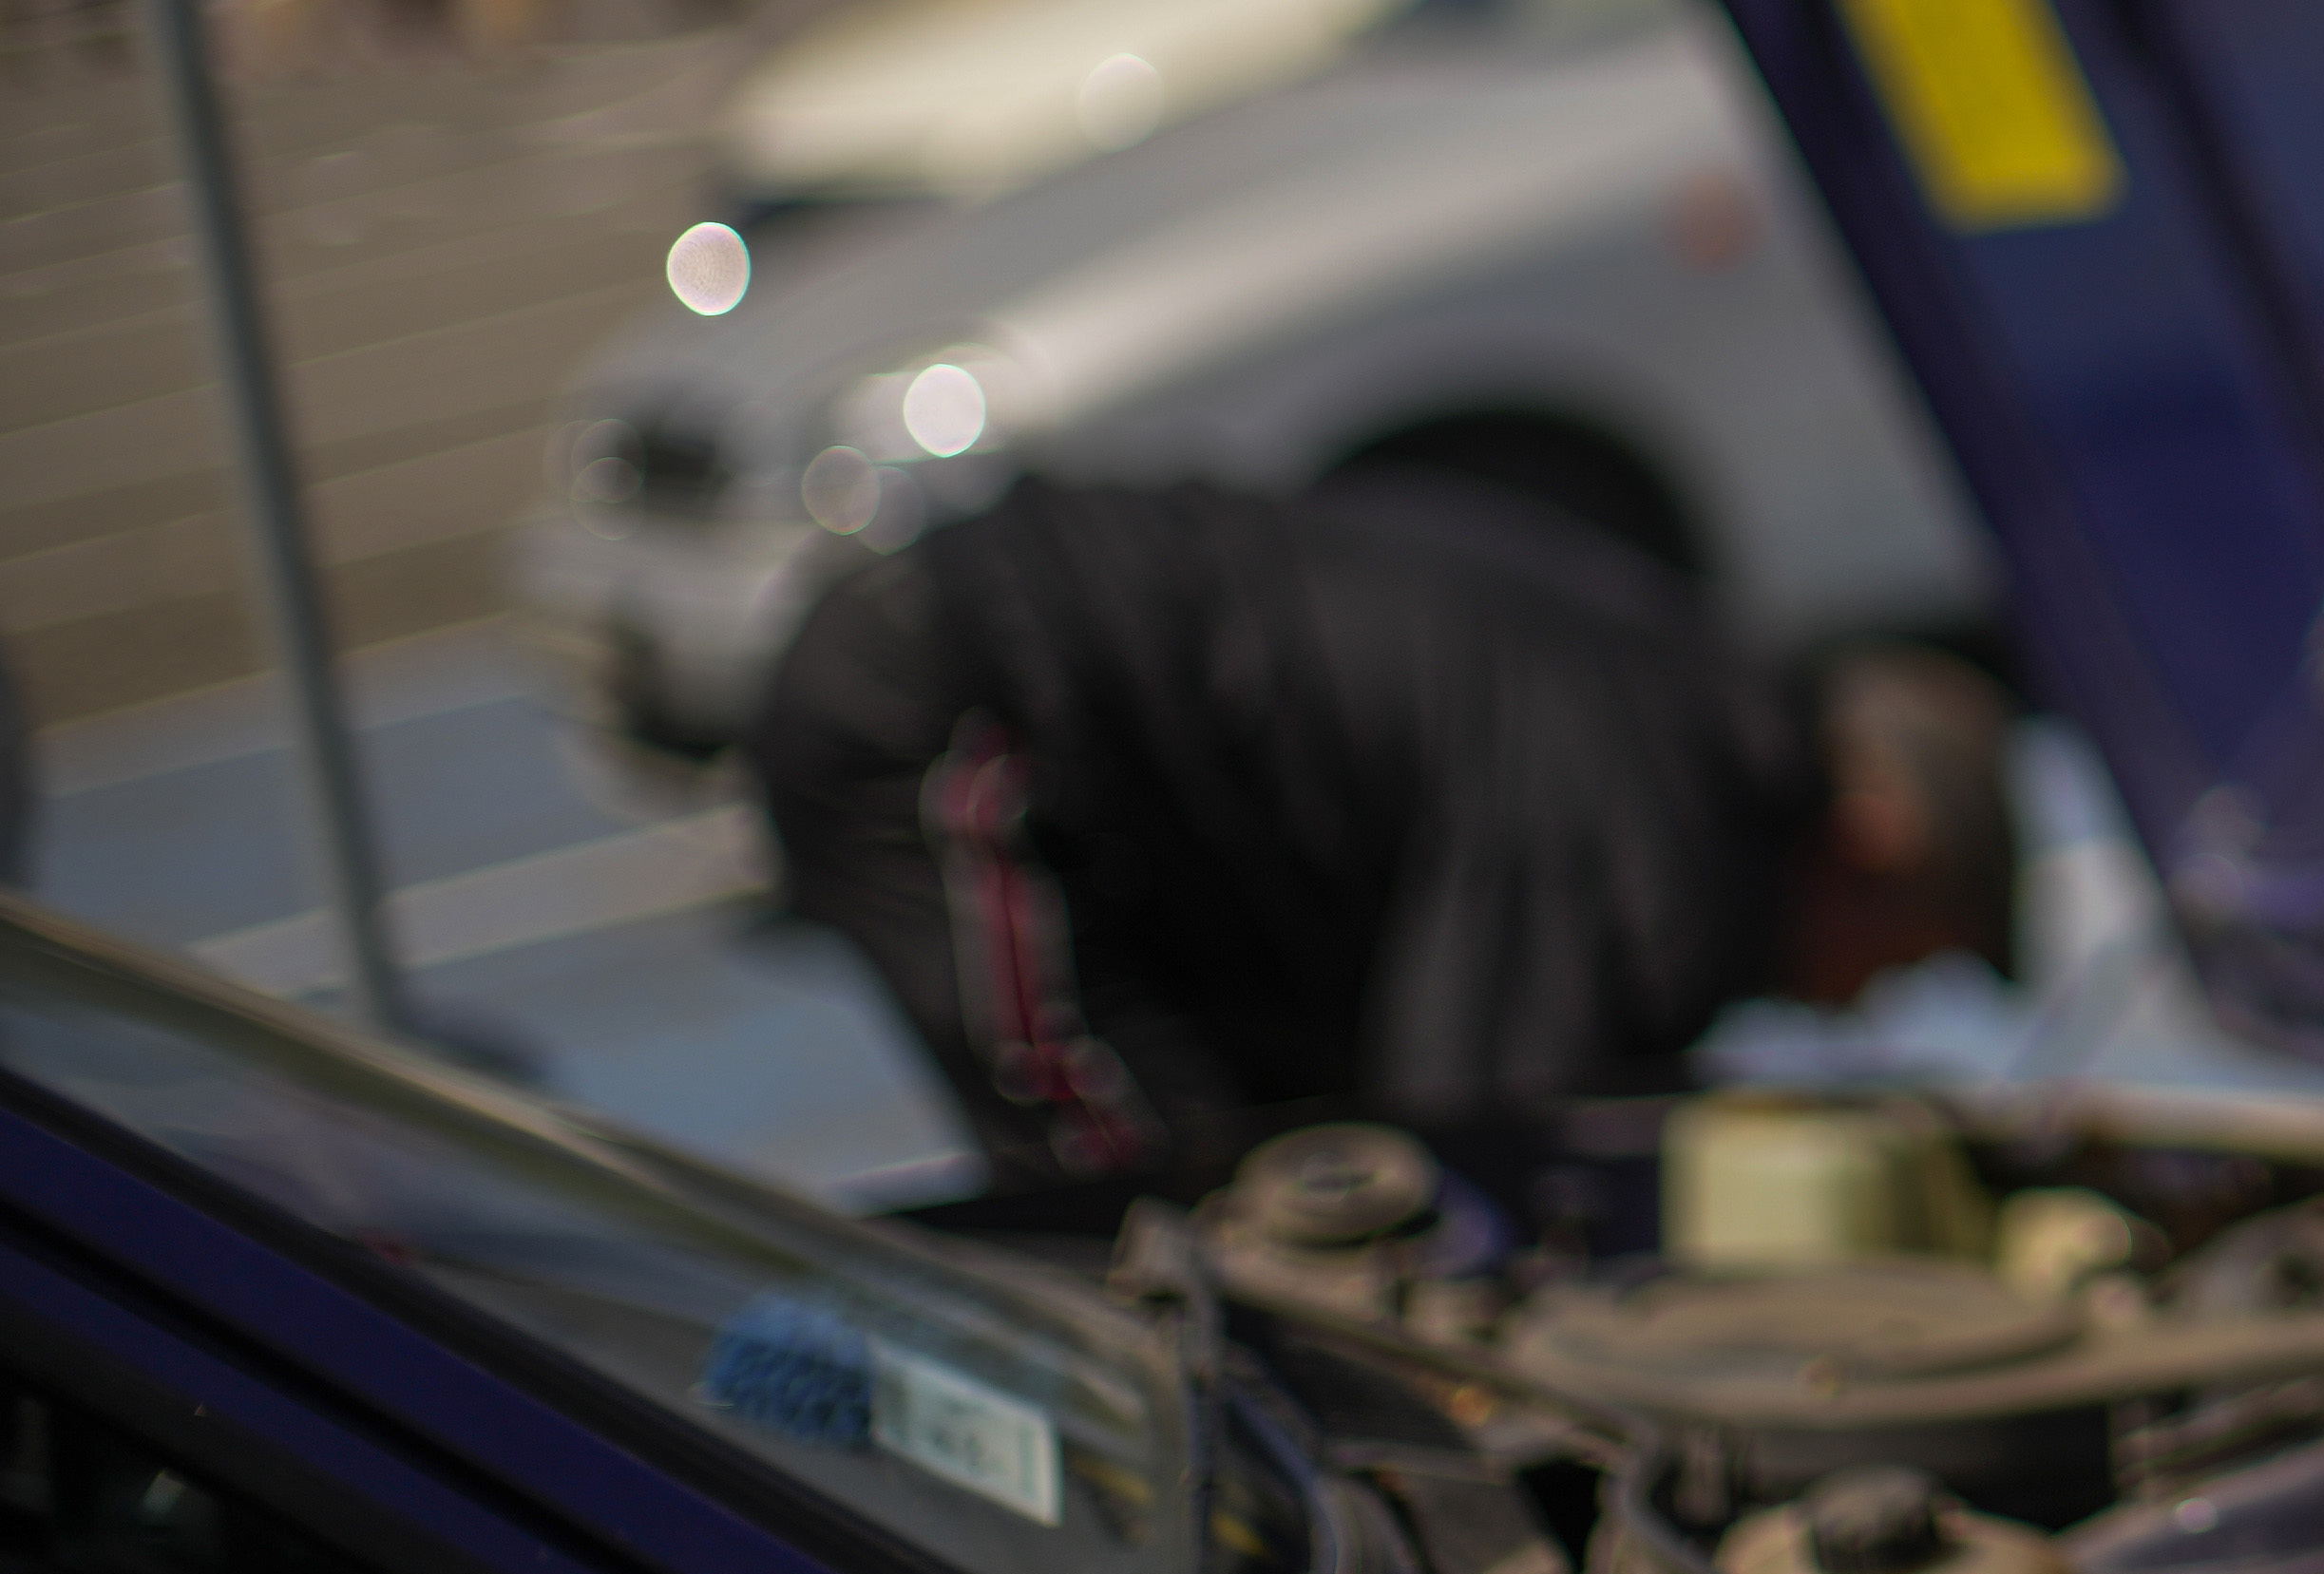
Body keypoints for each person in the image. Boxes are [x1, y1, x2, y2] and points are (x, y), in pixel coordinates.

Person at [745, 474, 2005, 1192]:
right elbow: (1474, 1123)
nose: (1855, 1010)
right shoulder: (1644, 819)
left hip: (1071, 735)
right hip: (966, 709)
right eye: (1899, 963)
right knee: (1170, 1227)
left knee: (1243, 1193)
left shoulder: (1674, 712)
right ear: (1874, 839)